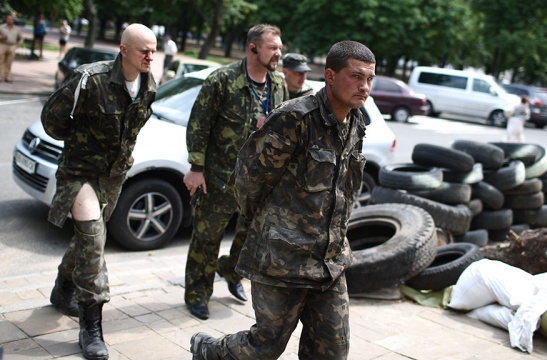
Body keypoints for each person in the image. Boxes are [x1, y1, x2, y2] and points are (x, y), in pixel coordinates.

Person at [190, 40, 375, 360]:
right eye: (356, 77)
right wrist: (270, 228)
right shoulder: (295, 118)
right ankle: (209, 351)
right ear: (330, 76)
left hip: (329, 263)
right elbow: (249, 178)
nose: (365, 87)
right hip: (283, 259)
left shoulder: (356, 122)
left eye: (370, 79)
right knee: (265, 346)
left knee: (332, 351)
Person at [41, 23, 157, 360]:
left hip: (113, 177)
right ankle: (92, 328)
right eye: (143, 50)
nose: (150, 56)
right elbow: (52, 120)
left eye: (153, 49)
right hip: (80, 173)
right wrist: (81, 145)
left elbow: (132, 131)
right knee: (94, 239)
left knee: (85, 240)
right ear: (123, 50)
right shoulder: (89, 79)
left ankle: (63, 291)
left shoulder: (150, 85)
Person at [182, 24, 287, 321]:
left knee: (251, 238)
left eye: (280, 47)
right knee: (207, 239)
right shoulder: (223, 80)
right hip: (219, 177)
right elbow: (199, 125)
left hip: (259, 181)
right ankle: (197, 295)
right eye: (272, 47)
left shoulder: (278, 84)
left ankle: (231, 272)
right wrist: (196, 168)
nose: (278, 53)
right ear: (253, 48)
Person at [0, 15, 24, 82]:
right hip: (2, 45)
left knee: (9, 62)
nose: (9, 20)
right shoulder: (1, 27)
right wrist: (1, 37)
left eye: (11, 19)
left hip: (12, 46)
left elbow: (21, 38)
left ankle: (7, 77)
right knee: (0, 61)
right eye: (8, 19)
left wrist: (17, 45)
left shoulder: (16, 29)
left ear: (13, 20)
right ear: (6, 20)